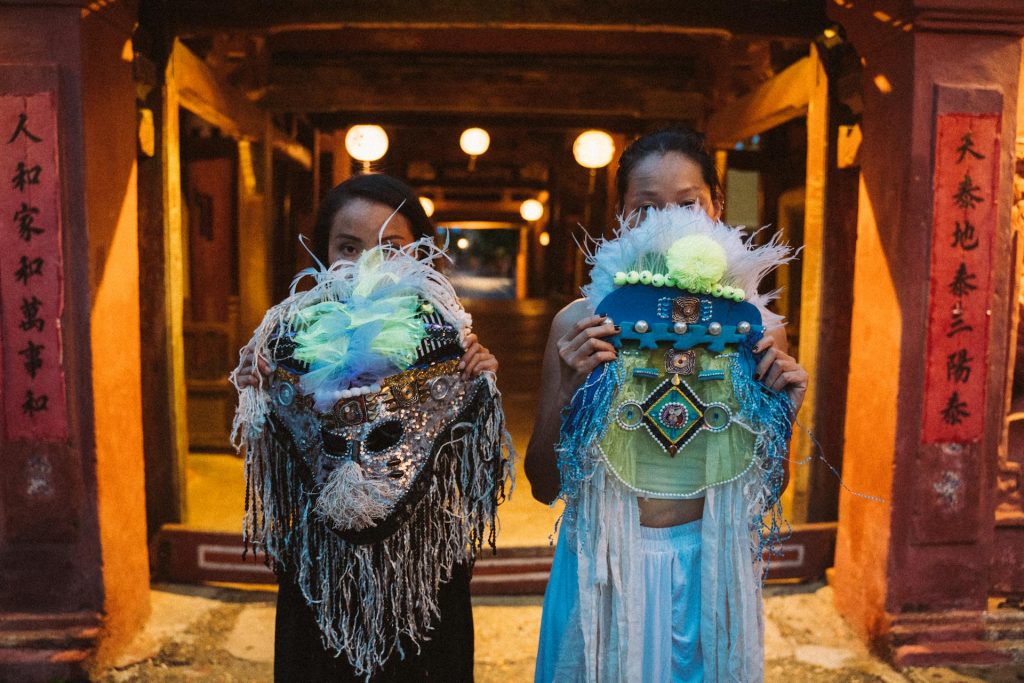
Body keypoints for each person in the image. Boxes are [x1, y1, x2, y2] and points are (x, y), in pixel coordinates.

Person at [527, 128, 808, 682]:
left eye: (688, 204)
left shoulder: (753, 333)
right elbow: (542, 484)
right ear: (621, 218)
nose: (668, 221)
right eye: (646, 207)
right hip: (606, 568)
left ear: (717, 208)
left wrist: (785, 416)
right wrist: (568, 384)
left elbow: (767, 491)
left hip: (710, 565)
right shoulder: (582, 324)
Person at [232, 173, 499, 682]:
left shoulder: (447, 337)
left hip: (423, 571)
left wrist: (481, 389)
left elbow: (475, 471)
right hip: (322, 570)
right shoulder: (288, 338)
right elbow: (271, 460)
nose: (366, 265)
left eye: (389, 247)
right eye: (348, 247)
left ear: (419, 252)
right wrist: (255, 395)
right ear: (323, 252)